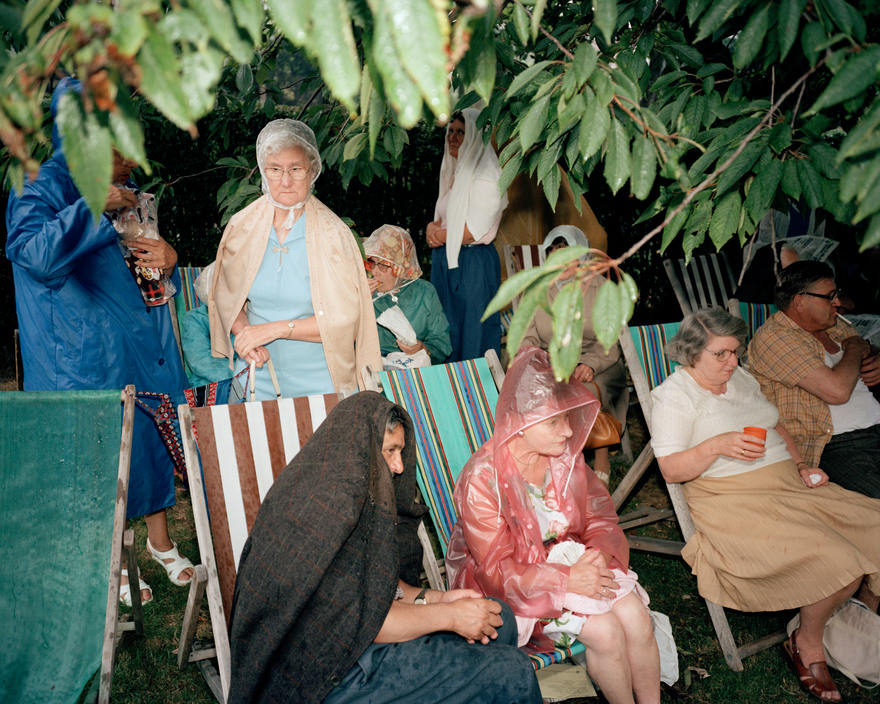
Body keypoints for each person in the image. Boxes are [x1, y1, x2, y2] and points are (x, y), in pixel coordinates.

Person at [5, 77, 193, 605]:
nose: (133, 160)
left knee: (151, 444)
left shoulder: (125, 192)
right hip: (79, 358)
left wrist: (169, 259)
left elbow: (141, 266)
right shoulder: (37, 182)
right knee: (95, 461)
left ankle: (159, 543)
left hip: (140, 343)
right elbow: (34, 253)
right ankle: (111, 563)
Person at [227, 391, 542, 704]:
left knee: (502, 620)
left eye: (400, 452)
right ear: (360, 449)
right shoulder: (324, 512)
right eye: (390, 451)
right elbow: (367, 622)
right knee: (512, 671)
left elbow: (378, 590)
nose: (398, 466)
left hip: (359, 643)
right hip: (325, 677)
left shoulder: (350, 492)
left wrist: (436, 598)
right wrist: (450, 616)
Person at [650, 308, 880, 703]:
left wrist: (803, 466)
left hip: (786, 484)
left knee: (874, 523)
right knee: (838, 560)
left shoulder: (739, 378)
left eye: (735, 352)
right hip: (733, 499)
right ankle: (806, 642)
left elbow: (776, 425)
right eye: (720, 354)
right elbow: (670, 469)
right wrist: (717, 445)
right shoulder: (674, 396)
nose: (732, 362)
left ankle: (845, 619)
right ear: (691, 353)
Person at [446, 347, 660, 704]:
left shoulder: (562, 459)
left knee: (637, 618)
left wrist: (599, 556)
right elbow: (495, 572)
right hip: (517, 590)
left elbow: (600, 518)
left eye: (568, 418)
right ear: (521, 422)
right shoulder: (482, 479)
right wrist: (564, 580)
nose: (567, 431)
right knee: (606, 632)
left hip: (572, 566)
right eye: (554, 421)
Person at [209, 119, 381, 398]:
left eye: (296, 169)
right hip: (256, 378)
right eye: (275, 169)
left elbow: (344, 321)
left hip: (320, 384)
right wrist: (246, 335)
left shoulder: (334, 234)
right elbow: (227, 296)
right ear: (264, 172)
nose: (285, 181)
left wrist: (273, 330)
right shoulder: (243, 226)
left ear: (312, 170)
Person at [748, 261, 880, 499]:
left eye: (836, 294)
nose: (838, 303)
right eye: (829, 297)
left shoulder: (835, 325)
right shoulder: (775, 338)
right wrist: (855, 348)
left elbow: (863, 353)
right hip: (835, 446)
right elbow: (837, 391)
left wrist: (875, 356)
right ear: (800, 301)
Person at [522, 225, 628, 485]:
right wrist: (542, 364)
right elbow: (527, 337)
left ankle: (600, 454)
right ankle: (548, 458)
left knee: (587, 391)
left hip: (599, 361)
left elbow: (611, 342)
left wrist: (589, 364)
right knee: (539, 388)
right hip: (553, 362)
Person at [426, 108, 507, 362]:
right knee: (445, 329)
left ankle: (476, 394)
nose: (453, 137)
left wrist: (439, 234)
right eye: (450, 131)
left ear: (474, 136)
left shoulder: (487, 177)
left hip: (473, 265)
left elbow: (471, 232)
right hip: (446, 261)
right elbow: (442, 219)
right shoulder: (455, 172)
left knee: (474, 333)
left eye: (461, 132)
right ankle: (450, 393)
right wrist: (432, 229)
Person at [364, 224, 451, 365]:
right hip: (373, 370)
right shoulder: (363, 291)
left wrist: (423, 348)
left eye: (383, 265)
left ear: (401, 268)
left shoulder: (424, 292)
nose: (375, 272)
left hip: (415, 370)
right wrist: (359, 302)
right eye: (372, 263)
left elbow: (442, 343)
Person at [180, 263, 239, 387]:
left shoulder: (249, 315)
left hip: (250, 381)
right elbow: (201, 362)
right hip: (211, 386)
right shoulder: (194, 319)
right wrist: (243, 375)